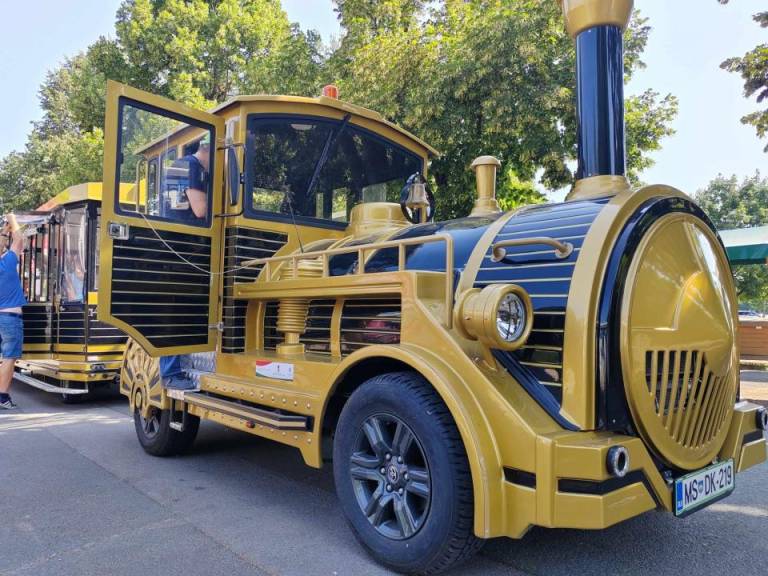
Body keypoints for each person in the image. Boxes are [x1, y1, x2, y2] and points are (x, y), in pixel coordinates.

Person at [159, 134, 210, 390]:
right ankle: (171, 373)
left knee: (180, 306)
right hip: (182, 247)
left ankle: (173, 369)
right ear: (209, 149)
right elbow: (201, 210)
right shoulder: (191, 167)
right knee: (178, 308)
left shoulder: (183, 165)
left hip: (179, 247)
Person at [0, 215, 27, 409]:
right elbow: (19, 240)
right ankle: (2, 397)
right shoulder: (8, 262)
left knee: (5, 358)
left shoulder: (5, 261)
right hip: (10, 318)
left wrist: (4, 230)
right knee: (9, 358)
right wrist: (12, 219)